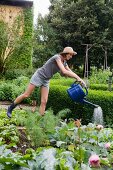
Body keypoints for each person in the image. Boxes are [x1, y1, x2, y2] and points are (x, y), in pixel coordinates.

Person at [7, 47, 86, 118]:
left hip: (46, 80)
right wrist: (78, 78)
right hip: (39, 76)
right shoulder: (57, 58)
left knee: (44, 101)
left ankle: (40, 120)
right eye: (70, 54)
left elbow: (69, 72)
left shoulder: (64, 62)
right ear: (66, 54)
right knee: (26, 95)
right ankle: (11, 107)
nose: (71, 56)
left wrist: (80, 79)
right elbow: (64, 71)